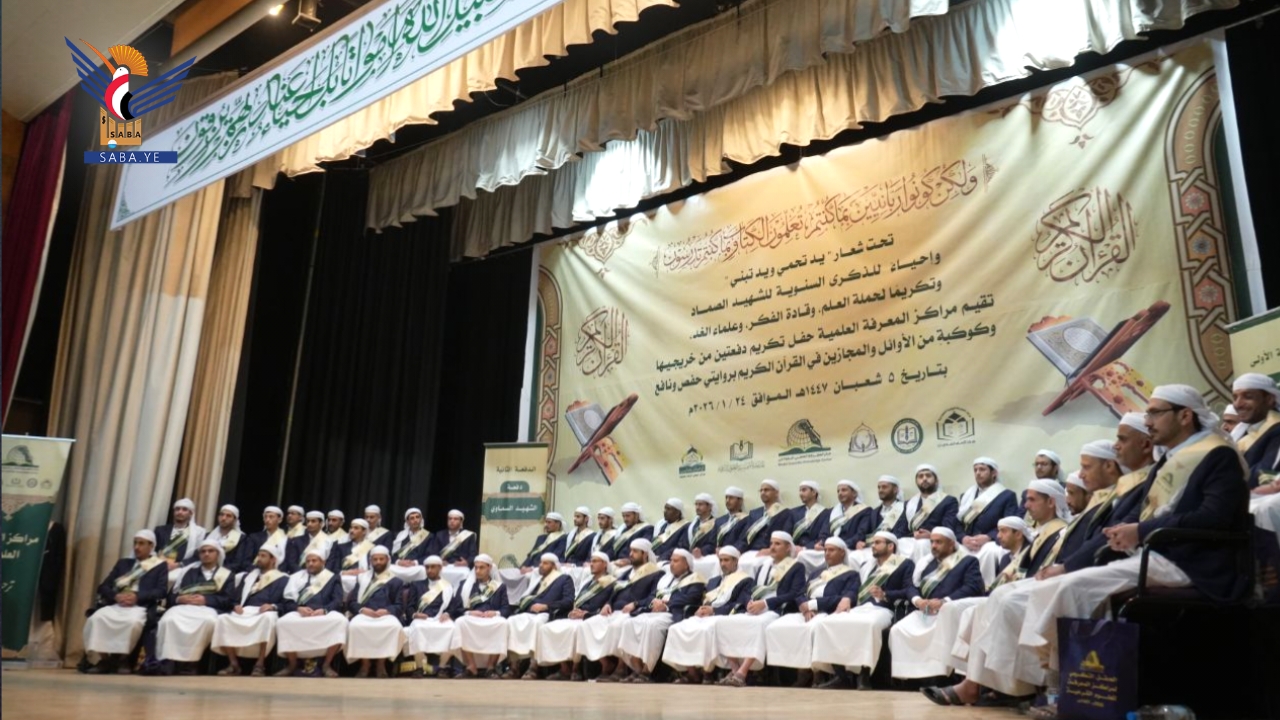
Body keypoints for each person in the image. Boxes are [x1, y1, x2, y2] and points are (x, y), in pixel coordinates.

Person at [930, 388, 1250, 710]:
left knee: (1070, 588)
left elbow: (1215, 517)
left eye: (1155, 412)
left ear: (1185, 416)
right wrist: (1130, 532)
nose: (1149, 421)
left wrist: (1140, 532)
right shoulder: (1169, 460)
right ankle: (1048, 686)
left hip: (1193, 562)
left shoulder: (1217, 455)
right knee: (1054, 589)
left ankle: (1062, 689)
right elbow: (1146, 517)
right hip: (1156, 553)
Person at [812, 531, 914, 690]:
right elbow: (855, 588)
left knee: (868, 625)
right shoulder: (866, 566)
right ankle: (841, 676)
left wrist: (886, 594)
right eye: (873, 542)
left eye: (878, 542)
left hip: (884, 608)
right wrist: (847, 598)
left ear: (891, 546)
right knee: (827, 623)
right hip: (861, 607)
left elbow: (908, 590)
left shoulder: (905, 564)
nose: (873, 545)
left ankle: (864, 675)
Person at [888, 527, 983, 680]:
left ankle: (937, 677)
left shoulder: (968, 561)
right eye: (932, 542)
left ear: (951, 544)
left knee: (939, 630)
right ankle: (910, 677)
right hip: (925, 611)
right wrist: (917, 600)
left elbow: (972, 587)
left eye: (939, 542)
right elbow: (911, 586)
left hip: (949, 611)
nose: (933, 546)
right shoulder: (926, 564)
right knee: (897, 630)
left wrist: (944, 601)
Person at [765, 536, 860, 687]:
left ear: (842, 552)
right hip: (807, 611)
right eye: (826, 550)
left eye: (831, 550)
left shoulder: (851, 574)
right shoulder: (816, 573)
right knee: (777, 626)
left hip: (828, 612)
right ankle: (793, 671)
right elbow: (800, 593)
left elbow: (843, 598)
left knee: (814, 628)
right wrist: (805, 608)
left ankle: (817, 674)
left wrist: (813, 604)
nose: (827, 553)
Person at [714, 531, 806, 687]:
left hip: (776, 609)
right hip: (756, 608)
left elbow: (794, 593)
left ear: (788, 547)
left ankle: (742, 673)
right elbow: (752, 589)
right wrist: (750, 602)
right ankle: (735, 670)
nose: (772, 547)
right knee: (722, 623)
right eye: (771, 543)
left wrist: (766, 603)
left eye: (777, 544)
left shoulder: (796, 566)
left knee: (758, 625)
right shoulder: (763, 565)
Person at [661, 546, 754, 684]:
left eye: (727, 560)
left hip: (725, 616)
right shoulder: (714, 581)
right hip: (706, 615)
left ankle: (707, 673)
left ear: (736, 561)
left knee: (707, 630)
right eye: (721, 560)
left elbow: (740, 604)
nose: (723, 564)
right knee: (677, 628)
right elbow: (705, 601)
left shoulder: (745, 580)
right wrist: (700, 609)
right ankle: (692, 673)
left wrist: (714, 611)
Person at [82, 530, 169, 674]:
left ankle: (123, 659)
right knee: (96, 619)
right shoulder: (123, 564)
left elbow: (161, 591)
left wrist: (137, 596)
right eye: (135, 543)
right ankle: (105, 660)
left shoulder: (159, 566)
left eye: (141, 543)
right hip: (116, 604)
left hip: (139, 606)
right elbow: (103, 587)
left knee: (133, 622)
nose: (136, 547)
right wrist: (116, 596)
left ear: (151, 546)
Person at [614, 548, 706, 683]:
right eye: (671, 561)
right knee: (629, 623)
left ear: (686, 564)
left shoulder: (695, 579)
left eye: (676, 561)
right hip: (654, 612)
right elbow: (651, 597)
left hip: (673, 613)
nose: (672, 564)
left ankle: (647, 670)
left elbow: (691, 598)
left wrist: (667, 604)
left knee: (652, 626)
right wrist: (654, 602)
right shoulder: (665, 579)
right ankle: (637, 669)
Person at [154, 539, 235, 674]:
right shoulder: (188, 572)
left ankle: (191, 663)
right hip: (183, 607)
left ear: (218, 554)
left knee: (208, 621)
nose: (206, 554)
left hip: (208, 609)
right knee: (168, 620)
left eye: (210, 551)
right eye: (203, 551)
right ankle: (169, 661)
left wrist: (206, 600)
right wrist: (179, 598)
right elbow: (170, 597)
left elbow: (228, 600)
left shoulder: (227, 575)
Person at [588, 539, 663, 682]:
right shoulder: (626, 573)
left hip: (634, 612)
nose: (631, 554)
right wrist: (608, 603)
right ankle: (606, 664)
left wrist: (635, 604)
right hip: (614, 610)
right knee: (588, 624)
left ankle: (621, 668)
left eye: (635, 551)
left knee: (618, 625)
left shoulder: (656, 573)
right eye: (630, 551)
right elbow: (615, 590)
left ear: (645, 554)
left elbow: (653, 596)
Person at [534, 551, 616, 681]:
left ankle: (576, 669)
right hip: (577, 616)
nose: (591, 564)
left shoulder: (611, 583)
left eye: (595, 561)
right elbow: (577, 602)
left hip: (593, 617)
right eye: (591, 561)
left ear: (605, 564)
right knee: (547, 628)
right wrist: (571, 613)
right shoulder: (588, 583)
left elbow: (607, 605)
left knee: (576, 629)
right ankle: (564, 668)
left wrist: (585, 614)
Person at [212, 544, 290, 676]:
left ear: (273, 560)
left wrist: (273, 606)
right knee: (222, 619)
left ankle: (260, 664)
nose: (259, 558)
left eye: (263, 556)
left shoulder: (283, 579)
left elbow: (287, 603)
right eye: (258, 555)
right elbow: (234, 598)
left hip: (264, 612)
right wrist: (235, 605)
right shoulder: (248, 577)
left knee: (268, 619)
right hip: (244, 611)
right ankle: (233, 664)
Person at [275, 547, 346, 677]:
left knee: (341, 621)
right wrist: (298, 608)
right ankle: (292, 664)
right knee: (282, 623)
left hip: (323, 612)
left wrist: (324, 610)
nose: (310, 564)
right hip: (301, 612)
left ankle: (326, 664)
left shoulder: (332, 577)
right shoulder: (296, 577)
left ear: (323, 562)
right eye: (308, 561)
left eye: (314, 561)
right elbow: (287, 601)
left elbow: (337, 600)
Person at [504, 553, 574, 679]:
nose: (541, 565)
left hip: (549, 613)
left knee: (537, 623)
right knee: (512, 620)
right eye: (541, 563)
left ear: (554, 566)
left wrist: (546, 606)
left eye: (545, 563)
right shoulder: (538, 581)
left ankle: (533, 666)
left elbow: (568, 601)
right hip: (531, 613)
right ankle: (514, 666)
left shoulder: (564, 579)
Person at [346, 545, 407, 678]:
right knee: (355, 626)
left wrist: (387, 611)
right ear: (370, 561)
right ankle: (365, 664)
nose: (378, 562)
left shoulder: (396, 581)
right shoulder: (362, 578)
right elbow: (351, 602)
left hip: (386, 615)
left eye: (381, 559)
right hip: (364, 614)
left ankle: (381, 664)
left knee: (393, 627)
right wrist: (362, 609)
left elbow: (399, 606)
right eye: (375, 559)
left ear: (388, 560)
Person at [960, 458, 1021, 585]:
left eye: (982, 469)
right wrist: (963, 538)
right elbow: (957, 523)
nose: (978, 473)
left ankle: (985, 587)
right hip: (968, 542)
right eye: (975, 470)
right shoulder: (966, 496)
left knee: (990, 550)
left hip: (991, 542)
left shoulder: (1007, 496)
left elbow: (1010, 524)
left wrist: (989, 537)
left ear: (994, 473)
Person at [450, 554, 511, 678]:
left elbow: (506, 609)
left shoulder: (499, 587)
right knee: (460, 622)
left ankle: (491, 667)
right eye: (476, 567)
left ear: (489, 568)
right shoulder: (466, 585)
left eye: (481, 568)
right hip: (472, 618)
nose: (477, 571)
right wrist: (469, 612)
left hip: (491, 619)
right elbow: (455, 608)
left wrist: (495, 613)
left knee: (503, 623)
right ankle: (471, 666)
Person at [893, 464, 959, 562]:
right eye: (920, 476)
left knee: (922, 543)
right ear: (916, 481)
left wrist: (931, 535)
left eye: (928, 476)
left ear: (936, 480)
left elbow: (948, 527)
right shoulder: (909, 503)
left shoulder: (948, 501)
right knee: (896, 544)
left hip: (935, 541)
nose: (924, 479)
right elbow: (902, 529)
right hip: (912, 540)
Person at [404, 556, 457, 678]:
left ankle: (442, 668)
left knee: (452, 629)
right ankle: (419, 667)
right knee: (417, 629)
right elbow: (409, 606)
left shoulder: (448, 586)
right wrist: (414, 614)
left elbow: (454, 606)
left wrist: (447, 614)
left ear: (440, 568)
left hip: (440, 619)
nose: (429, 570)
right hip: (421, 619)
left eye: (433, 567)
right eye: (427, 567)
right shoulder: (416, 585)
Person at [1233, 373, 1280, 488]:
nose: (1238, 404)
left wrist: (1221, 482)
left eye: (1248, 397)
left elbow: (1266, 474)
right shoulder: (1240, 431)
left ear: (1269, 399)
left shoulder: (1276, 430)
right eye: (1235, 397)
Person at [733, 480, 796, 560]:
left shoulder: (785, 513)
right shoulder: (754, 513)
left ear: (776, 493)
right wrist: (735, 551)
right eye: (761, 490)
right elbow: (744, 537)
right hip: (750, 551)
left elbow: (786, 536)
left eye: (766, 490)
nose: (763, 492)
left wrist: (770, 550)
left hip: (771, 552)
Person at [426, 509, 478, 588]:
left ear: (461, 521)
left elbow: (473, 554)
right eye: (450, 519)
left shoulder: (468, 536)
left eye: (455, 519)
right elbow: (433, 553)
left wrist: (467, 562)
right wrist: (438, 561)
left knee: (466, 574)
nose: (452, 521)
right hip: (443, 566)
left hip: (461, 567)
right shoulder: (439, 535)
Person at [154, 498, 205, 574]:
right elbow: (152, 551)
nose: (180, 512)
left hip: (183, 570)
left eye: (184, 510)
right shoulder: (160, 530)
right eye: (177, 509)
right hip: (158, 568)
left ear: (191, 513)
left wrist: (178, 565)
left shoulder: (198, 533)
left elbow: (198, 556)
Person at [202, 504, 252, 574]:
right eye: (221, 515)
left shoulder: (242, 539)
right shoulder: (207, 536)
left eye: (228, 516)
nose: (223, 518)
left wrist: (216, 571)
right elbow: (197, 555)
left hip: (228, 574)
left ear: (235, 520)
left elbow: (238, 563)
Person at [332, 518, 376, 596]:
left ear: (364, 531)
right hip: (343, 581)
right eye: (351, 528)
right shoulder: (340, 547)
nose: (351, 531)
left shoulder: (372, 548)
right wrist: (346, 572)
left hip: (365, 580)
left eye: (356, 528)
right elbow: (333, 568)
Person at [390, 507, 432, 578]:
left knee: (423, 570)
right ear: (407, 521)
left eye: (417, 517)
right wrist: (398, 562)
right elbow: (390, 554)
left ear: (421, 519)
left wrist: (414, 562)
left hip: (417, 566)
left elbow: (429, 555)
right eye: (412, 518)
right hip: (400, 566)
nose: (415, 520)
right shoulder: (398, 536)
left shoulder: (429, 536)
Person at [863, 476, 905, 547]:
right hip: (873, 547)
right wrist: (861, 542)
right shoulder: (874, 512)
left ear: (895, 490)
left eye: (884, 487)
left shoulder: (903, 508)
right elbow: (866, 532)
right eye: (879, 487)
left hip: (896, 546)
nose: (880, 490)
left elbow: (904, 531)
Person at [790, 481, 829, 548]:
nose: (801, 493)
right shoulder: (793, 512)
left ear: (814, 492)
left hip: (812, 549)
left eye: (804, 490)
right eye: (800, 491)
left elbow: (823, 536)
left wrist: (806, 548)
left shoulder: (825, 513)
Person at [686, 493, 720, 566]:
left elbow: (713, 544)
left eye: (700, 504)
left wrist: (701, 551)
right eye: (696, 504)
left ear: (709, 507)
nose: (697, 507)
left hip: (706, 558)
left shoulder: (715, 523)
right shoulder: (692, 525)